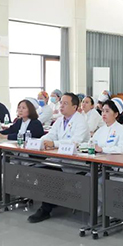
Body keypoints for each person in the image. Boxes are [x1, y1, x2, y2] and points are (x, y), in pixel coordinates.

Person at [28, 93, 90, 223]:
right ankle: (52, 199)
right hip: (60, 159)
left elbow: (75, 142)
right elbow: (50, 135)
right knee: (38, 167)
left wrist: (54, 144)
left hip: (76, 163)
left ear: (74, 107)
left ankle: (46, 208)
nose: (61, 105)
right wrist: (40, 142)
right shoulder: (60, 120)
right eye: (61, 102)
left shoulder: (80, 121)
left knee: (49, 172)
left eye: (65, 103)